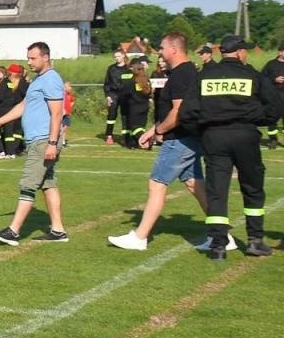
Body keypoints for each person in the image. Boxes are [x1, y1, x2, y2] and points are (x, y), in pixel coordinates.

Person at [109, 33, 213, 251]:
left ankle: (139, 237)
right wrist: (152, 130)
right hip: (188, 137)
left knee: (157, 184)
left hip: (179, 139)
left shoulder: (181, 74)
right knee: (195, 184)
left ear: (174, 49)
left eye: (163, 48)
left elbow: (179, 111)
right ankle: (222, 234)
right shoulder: (185, 72)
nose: (160, 52)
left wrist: (159, 131)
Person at [184, 35, 283, 259]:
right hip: (245, 135)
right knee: (253, 187)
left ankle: (218, 246)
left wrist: (202, 131)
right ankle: (255, 241)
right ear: (239, 53)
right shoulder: (251, 75)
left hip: (213, 136)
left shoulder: (205, 76)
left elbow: (187, 112)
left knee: (217, 191)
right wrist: (258, 120)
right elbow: (275, 106)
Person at [0, 42, 69, 245]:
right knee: (48, 184)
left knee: (28, 184)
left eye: (33, 58)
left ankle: (13, 232)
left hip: (43, 141)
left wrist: (52, 142)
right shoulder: (39, 80)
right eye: (28, 57)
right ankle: (58, 230)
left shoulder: (51, 79)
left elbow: (57, 113)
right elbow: (24, 105)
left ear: (45, 57)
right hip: (37, 140)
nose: (29, 62)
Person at [102, 50, 128, 145]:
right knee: (111, 115)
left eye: (119, 56)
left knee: (125, 115)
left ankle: (125, 137)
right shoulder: (111, 68)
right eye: (115, 56)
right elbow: (107, 83)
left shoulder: (129, 68)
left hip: (125, 95)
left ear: (123, 56)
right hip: (113, 94)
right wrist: (108, 96)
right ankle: (109, 135)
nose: (117, 58)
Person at [262, 42, 284, 149]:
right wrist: (274, 79)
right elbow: (262, 78)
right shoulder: (271, 64)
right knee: (272, 119)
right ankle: (273, 140)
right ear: (280, 52)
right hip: (274, 96)